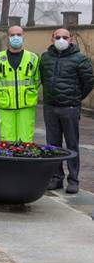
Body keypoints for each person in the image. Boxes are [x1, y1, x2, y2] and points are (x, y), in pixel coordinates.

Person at [41, 28, 94, 194]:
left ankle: (73, 180)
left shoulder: (80, 59)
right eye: (58, 37)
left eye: (65, 37)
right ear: (52, 39)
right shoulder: (45, 58)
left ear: (70, 39)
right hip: (50, 107)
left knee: (72, 144)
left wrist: (75, 99)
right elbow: (43, 78)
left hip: (69, 108)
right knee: (52, 145)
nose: (61, 39)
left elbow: (89, 82)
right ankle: (56, 178)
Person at [0, 26, 40, 142]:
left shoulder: (33, 58)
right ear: (8, 37)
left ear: (23, 37)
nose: (15, 37)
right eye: (12, 35)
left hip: (26, 105)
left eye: (19, 34)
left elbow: (37, 81)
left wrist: (30, 94)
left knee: (26, 140)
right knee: (7, 140)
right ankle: (8, 160)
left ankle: (25, 159)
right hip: (5, 104)